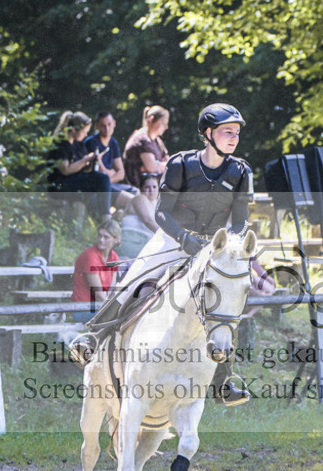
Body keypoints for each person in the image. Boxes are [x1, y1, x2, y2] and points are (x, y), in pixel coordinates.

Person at [69, 103, 253, 406]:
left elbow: (241, 220)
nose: (234, 138)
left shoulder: (241, 171)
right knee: (136, 279)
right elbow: (161, 212)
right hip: (172, 237)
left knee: (228, 296)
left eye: (236, 133)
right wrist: (183, 238)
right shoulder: (181, 164)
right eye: (227, 132)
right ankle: (94, 337)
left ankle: (224, 380)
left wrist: (226, 246)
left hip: (214, 246)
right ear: (208, 133)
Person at [47, 111, 111, 221]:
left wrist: (93, 160)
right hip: (61, 184)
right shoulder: (61, 143)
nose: (86, 135)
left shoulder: (78, 144)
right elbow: (65, 169)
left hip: (75, 180)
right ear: (74, 130)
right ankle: (105, 217)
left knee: (103, 181)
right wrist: (85, 160)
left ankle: (102, 216)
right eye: (84, 132)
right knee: (103, 179)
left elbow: (85, 169)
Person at [85, 111, 138, 211]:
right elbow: (99, 170)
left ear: (114, 123)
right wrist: (112, 173)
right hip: (95, 186)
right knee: (132, 200)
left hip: (108, 183)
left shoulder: (113, 142)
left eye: (109, 124)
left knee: (136, 192)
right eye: (103, 126)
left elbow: (121, 173)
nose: (107, 128)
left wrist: (108, 178)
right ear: (97, 126)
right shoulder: (92, 142)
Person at [70, 220, 121, 323]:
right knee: (119, 315)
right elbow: (99, 295)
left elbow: (112, 288)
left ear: (116, 239)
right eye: (100, 235)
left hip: (100, 307)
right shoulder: (91, 256)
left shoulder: (114, 257)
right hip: (83, 309)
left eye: (106, 237)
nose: (101, 240)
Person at [123, 105, 170, 190]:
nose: (166, 127)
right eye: (163, 123)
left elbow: (169, 162)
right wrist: (159, 165)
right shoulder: (141, 139)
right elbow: (153, 168)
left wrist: (158, 164)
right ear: (151, 120)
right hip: (139, 189)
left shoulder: (157, 140)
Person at [118, 173, 160, 259]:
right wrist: (166, 235)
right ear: (141, 189)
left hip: (143, 241)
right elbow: (148, 220)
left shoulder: (156, 204)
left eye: (154, 187)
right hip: (131, 240)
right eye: (147, 187)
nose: (151, 190)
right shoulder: (140, 198)